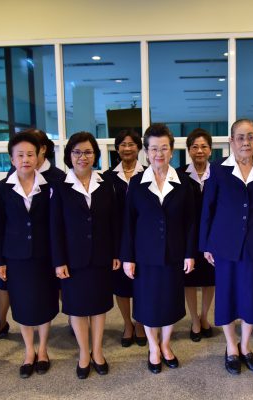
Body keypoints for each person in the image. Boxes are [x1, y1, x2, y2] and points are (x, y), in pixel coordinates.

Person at [200, 119, 253, 375]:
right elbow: (208, 207)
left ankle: (245, 346)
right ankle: (231, 347)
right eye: (241, 137)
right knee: (227, 296)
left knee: (251, 296)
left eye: (251, 137)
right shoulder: (218, 168)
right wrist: (206, 244)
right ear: (231, 141)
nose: (246, 142)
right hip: (224, 243)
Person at [120, 123, 196, 374]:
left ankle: (165, 344)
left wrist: (189, 253)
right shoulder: (137, 183)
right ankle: (153, 347)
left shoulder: (184, 182)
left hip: (174, 253)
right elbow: (128, 223)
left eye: (164, 148)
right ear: (146, 152)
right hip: (145, 255)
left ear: (172, 151)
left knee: (170, 302)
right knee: (148, 304)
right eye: (153, 149)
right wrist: (128, 257)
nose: (159, 154)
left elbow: (190, 222)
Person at [51, 132, 119, 379]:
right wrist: (59, 260)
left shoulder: (106, 184)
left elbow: (113, 222)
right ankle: (83, 353)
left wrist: (115, 253)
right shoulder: (59, 186)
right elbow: (55, 226)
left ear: (95, 155)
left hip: (101, 256)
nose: (83, 157)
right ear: (69, 155)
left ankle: (98, 351)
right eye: (77, 152)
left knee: (99, 306)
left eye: (88, 152)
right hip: (73, 259)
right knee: (78, 308)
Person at [0, 128, 65, 343]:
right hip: (16, 256)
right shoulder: (4, 187)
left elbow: (56, 223)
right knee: (21, 302)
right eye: (20, 155)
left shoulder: (51, 185)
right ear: (12, 159)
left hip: (44, 255)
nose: (25, 159)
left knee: (45, 301)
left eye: (30, 154)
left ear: (39, 155)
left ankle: (43, 349)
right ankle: (29, 350)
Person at [103, 130, 147, 347]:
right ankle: (127, 323)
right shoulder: (106, 177)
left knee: (141, 282)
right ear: (117, 149)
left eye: (131, 144)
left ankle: (140, 323)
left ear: (138, 147)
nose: (127, 148)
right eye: (122, 144)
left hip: (143, 238)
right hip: (117, 238)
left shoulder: (148, 173)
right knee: (121, 285)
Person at [177, 128, 215, 342]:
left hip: (212, 236)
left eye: (204, 147)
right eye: (195, 147)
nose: (199, 151)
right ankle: (194, 320)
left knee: (210, 279)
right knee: (189, 280)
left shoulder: (218, 173)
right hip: (187, 236)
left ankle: (205, 316)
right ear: (189, 150)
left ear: (210, 150)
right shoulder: (179, 174)